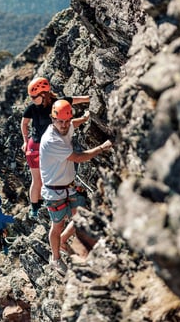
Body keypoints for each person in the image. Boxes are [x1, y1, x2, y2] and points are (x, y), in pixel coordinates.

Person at [39, 100, 112, 276]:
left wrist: (85, 118)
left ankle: (64, 241)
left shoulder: (65, 125)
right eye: (60, 121)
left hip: (68, 186)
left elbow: (72, 124)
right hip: (54, 191)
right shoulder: (51, 140)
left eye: (66, 120)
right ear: (52, 119)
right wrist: (102, 147)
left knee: (80, 217)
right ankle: (56, 259)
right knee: (57, 225)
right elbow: (78, 157)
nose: (64, 125)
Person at [21, 77, 90, 220]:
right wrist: (25, 141)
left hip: (51, 146)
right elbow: (24, 123)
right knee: (38, 179)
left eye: (34, 97)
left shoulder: (56, 104)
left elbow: (71, 100)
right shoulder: (32, 108)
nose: (32, 99)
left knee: (52, 176)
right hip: (36, 146)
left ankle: (52, 204)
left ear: (43, 94)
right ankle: (35, 209)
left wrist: (88, 99)